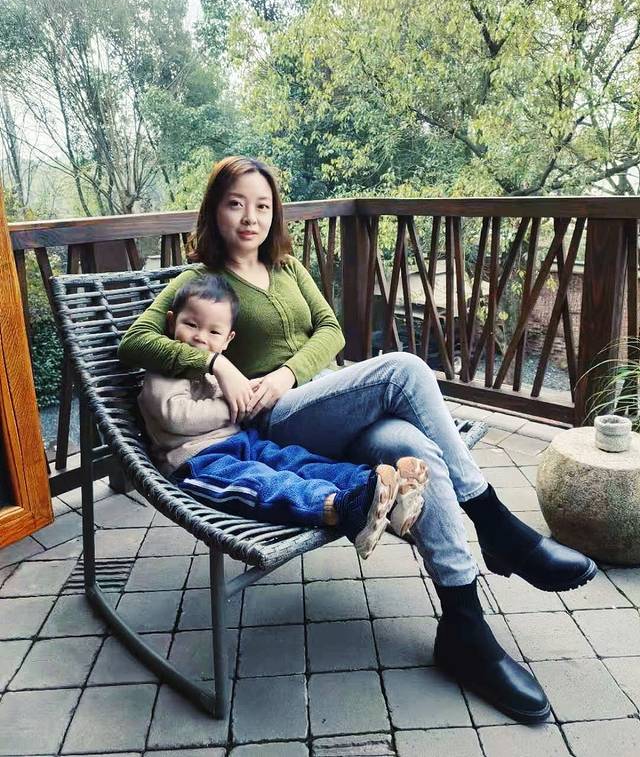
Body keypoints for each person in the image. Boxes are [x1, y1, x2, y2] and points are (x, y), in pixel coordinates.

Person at [119, 154, 597, 724]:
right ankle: (495, 524)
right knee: (405, 370)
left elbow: (332, 331)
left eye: (263, 206)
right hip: (275, 423)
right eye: (236, 204)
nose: (250, 218)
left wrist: (290, 371)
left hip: (320, 402)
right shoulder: (201, 281)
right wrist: (218, 363)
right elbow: (135, 342)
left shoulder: (288, 268)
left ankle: (464, 629)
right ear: (214, 210)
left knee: (415, 448)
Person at [137, 273, 428, 559]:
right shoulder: (163, 372)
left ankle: (378, 488)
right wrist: (234, 406)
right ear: (172, 322)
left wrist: (245, 394)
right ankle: (345, 509)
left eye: (213, 332)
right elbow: (175, 416)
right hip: (196, 462)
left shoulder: (219, 370)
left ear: (227, 339)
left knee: (295, 460)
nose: (200, 338)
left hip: (242, 441)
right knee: (261, 483)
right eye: (191, 325)